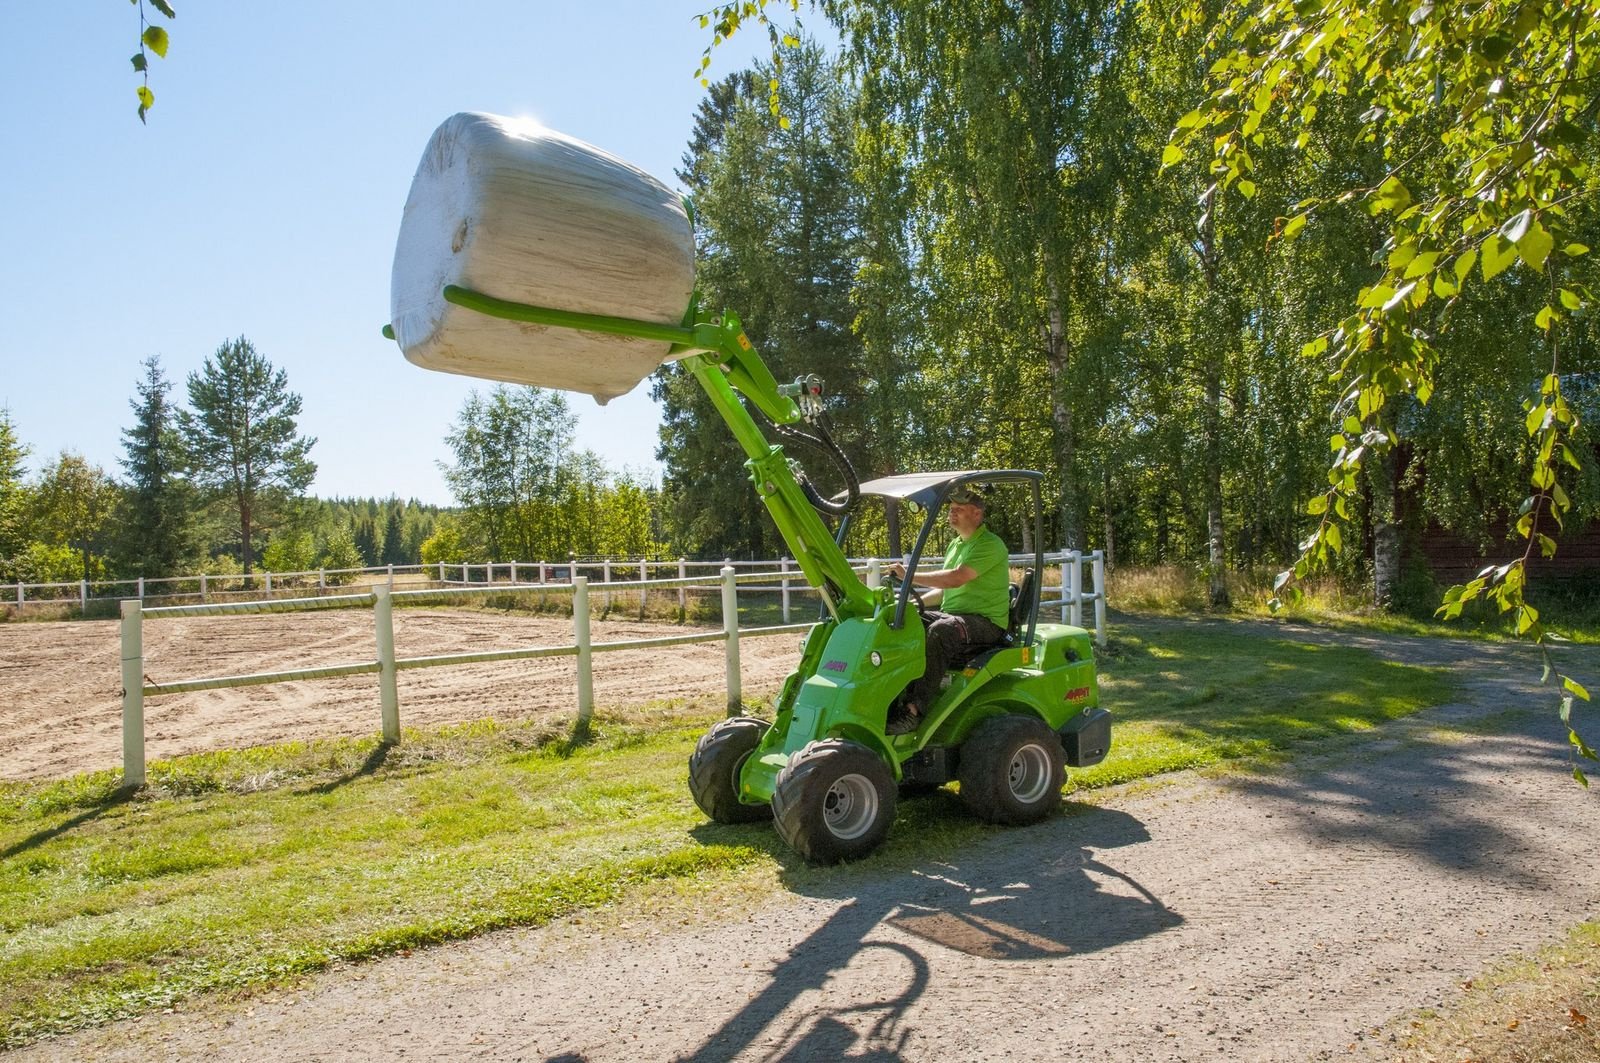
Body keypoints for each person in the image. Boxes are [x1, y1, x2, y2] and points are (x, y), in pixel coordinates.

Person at [884, 483, 1011, 734]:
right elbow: (945, 591)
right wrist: (909, 605)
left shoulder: (990, 544)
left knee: (943, 630)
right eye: (951, 508)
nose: (952, 513)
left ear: (977, 514)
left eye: (959, 509)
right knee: (904, 621)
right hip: (957, 616)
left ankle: (914, 711)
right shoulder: (956, 545)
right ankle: (892, 700)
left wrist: (908, 575)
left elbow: (956, 578)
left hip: (986, 623)